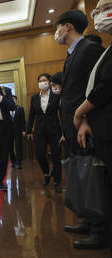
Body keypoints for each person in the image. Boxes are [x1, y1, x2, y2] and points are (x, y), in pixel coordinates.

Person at [54, 9, 107, 249]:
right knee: (82, 174)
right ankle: (87, 219)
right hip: (72, 125)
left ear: (67, 27)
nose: (55, 33)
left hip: (85, 124)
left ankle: (100, 230)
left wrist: (83, 117)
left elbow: (96, 88)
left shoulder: (89, 48)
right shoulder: (72, 52)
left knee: (94, 177)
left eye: (56, 27)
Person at [74, 0, 112, 252]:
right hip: (99, 126)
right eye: (96, 9)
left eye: (104, 7)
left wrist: (80, 112)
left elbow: (106, 86)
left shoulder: (91, 49)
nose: (97, 14)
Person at [26, 73, 62, 193]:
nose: (42, 82)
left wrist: (64, 132)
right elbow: (31, 115)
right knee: (40, 155)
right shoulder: (34, 98)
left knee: (56, 157)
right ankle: (47, 174)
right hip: (39, 131)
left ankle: (57, 181)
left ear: (49, 82)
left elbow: (62, 114)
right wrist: (29, 130)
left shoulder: (56, 96)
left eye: (45, 80)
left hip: (54, 130)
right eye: (40, 80)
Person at [9, 95, 26, 169]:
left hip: (18, 130)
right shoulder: (6, 109)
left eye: (14, 99)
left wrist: (24, 130)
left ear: (16, 100)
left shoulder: (20, 109)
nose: (13, 100)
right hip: (9, 131)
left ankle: (19, 162)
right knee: (10, 147)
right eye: (11, 99)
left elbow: (23, 120)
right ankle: (13, 161)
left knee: (18, 146)